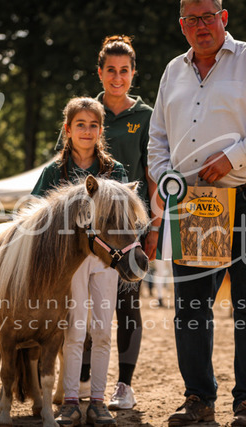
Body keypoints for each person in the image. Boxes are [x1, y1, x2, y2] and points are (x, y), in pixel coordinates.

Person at [147, 1, 246, 426]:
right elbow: (157, 139)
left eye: (208, 16)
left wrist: (233, 157)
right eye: (191, 19)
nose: (201, 26)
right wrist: (166, 176)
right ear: (181, 26)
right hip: (193, 203)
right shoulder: (172, 72)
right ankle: (198, 398)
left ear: (224, 17)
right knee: (190, 306)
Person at [55, 35, 160, 411]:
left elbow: (152, 172)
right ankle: (83, 379)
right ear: (99, 73)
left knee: (127, 307)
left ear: (133, 74)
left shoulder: (147, 116)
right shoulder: (88, 113)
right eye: (111, 70)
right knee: (82, 306)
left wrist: (154, 226)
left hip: (131, 228)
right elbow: (65, 165)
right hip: (88, 234)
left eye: (124, 70)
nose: (118, 77)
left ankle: (124, 385)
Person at [32, 97, 126, 426]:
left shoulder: (115, 171)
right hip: (69, 262)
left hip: (105, 260)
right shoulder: (53, 171)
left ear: (101, 130)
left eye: (93, 125)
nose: (87, 131)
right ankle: (70, 402)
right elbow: (34, 212)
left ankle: (97, 401)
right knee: (74, 331)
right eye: (80, 124)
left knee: (102, 332)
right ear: (68, 129)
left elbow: (124, 216)